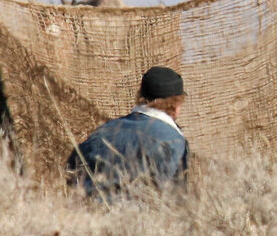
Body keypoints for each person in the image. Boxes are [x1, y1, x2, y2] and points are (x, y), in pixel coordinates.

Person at [67, 65, 189, 199]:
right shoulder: (175, 140)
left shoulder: (105, 130)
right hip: (138, 216)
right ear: (176, 104)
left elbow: (72, 169)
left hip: (90, 215)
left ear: (141, 97)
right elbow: (176, 197)